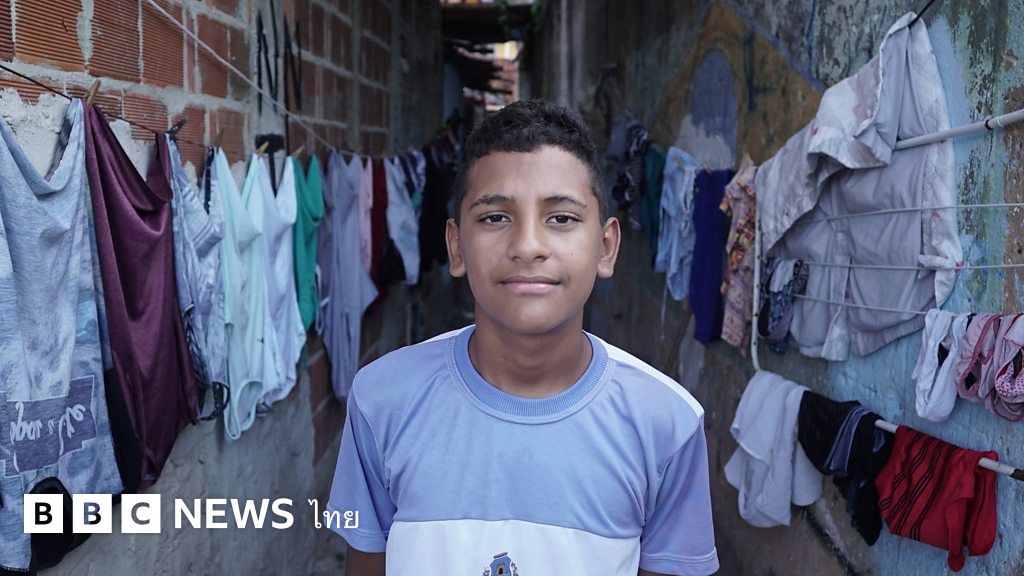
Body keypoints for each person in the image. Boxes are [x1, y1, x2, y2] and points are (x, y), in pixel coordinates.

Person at [327, 100, 719, 576]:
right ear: (456, 246)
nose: (528, 246)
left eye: (561, 218)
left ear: (605, 247)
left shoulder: (668, 424)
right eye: (495, 217)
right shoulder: (381, 400)